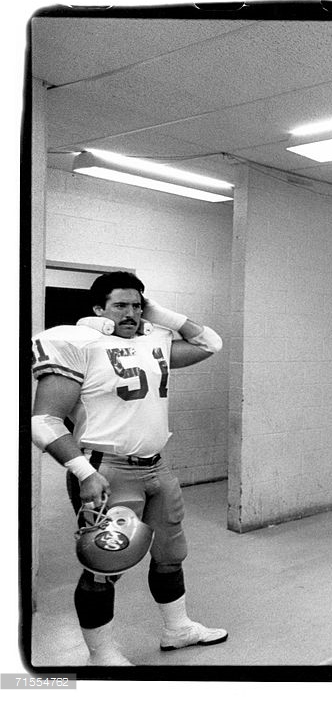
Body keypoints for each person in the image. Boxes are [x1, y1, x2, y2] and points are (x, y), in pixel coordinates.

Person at [30, 271, 227, 666]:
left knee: (171, 554)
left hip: (158, 466)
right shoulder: (80, 344)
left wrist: (157, 312)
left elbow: (210, 342)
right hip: (108, 470)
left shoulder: (152, 342)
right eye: (121, 305)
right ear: (98, 308)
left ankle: (178, 629)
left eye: (138, 306)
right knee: (103, 564)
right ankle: (100, 654)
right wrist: (84, 472)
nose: (131, 314)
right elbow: (43, 421)